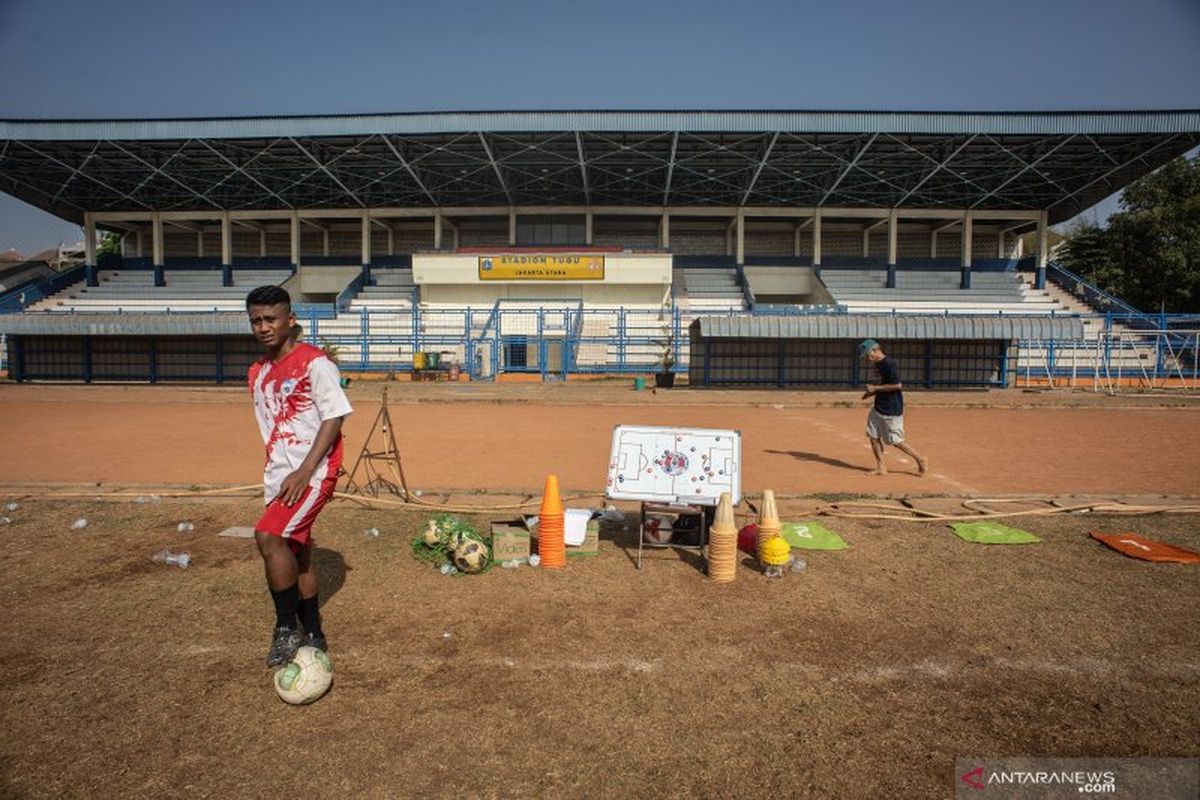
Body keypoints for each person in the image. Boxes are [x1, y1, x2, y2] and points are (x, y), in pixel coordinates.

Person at [246, 285, 353, 666]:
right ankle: (315, 631)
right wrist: (280, 473)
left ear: (291, 320)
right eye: (256, 320)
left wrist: (306, 471)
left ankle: (285, 628)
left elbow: (334, 416)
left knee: (269, 537)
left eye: (271, 319)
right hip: (279, 475)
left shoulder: (316, 363)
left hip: (312, 472)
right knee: (297, 553)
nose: (263, 327)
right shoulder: (257, 373)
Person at [858, 338, 927, 477]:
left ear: (875, 350)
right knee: (873, 436)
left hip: (891, 408)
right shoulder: (878, 365)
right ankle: (881, 467)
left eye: (867, 354)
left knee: (895, 441)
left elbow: (897, 385)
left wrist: (875, 388)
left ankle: (920, 459)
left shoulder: (889, 364)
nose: (867, 358)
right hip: (878, 407)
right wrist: (870, 393)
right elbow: (883, 384)